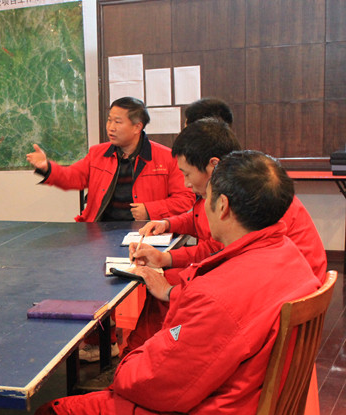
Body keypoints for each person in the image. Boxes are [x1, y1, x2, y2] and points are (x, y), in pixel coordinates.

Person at [16, 150, 321, 415]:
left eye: (204, 196)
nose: (201, 204)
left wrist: (127, 362)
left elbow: (153, 385)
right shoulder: (290, 257)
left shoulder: (220, 295)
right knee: (96, 409)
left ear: (223, 206)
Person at [127, 120, 328, 353]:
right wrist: (166, 250)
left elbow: (226, 273)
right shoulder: (252, 191)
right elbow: (214, 246)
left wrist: (171, 291)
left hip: (275, 311)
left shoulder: (244, 199)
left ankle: (143, 351)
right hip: (292, 293)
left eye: (187, 174)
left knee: (175, 290)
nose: (186, 183)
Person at [27, 96, 194, 222]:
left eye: (118, 122)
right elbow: (72, 177)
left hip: (145, 233)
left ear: (137, 127)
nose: (111, 127)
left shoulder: (167, 157)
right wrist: (47, 167)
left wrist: (150, 210)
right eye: (109, 120)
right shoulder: (98, 153)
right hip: (99, 230)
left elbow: (185, 199)